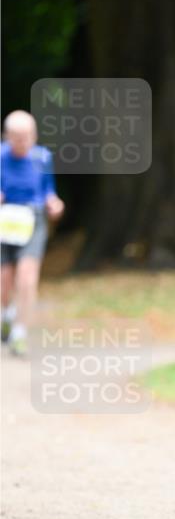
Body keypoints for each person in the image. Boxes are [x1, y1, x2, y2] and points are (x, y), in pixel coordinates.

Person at [0, 111, 65, 356]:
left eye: (28, 136)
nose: (23, 142)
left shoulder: (42, 157)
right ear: (8, 137)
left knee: (27, 278)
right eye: (17, 137)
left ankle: (19, 333)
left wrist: (54, 203)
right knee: (4, 280)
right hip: (5, 219)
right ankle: (6, 315)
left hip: (32, 219)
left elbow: (48, 190)